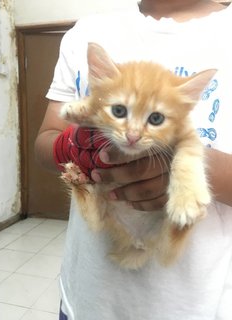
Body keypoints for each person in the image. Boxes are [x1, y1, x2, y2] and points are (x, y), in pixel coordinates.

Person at [34, 1, 232, 319]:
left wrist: (186, 167)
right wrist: (73, 147)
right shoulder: (87, 32)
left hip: (197, 307)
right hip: (87, 299)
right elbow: (46, 141)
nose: (133, 136)